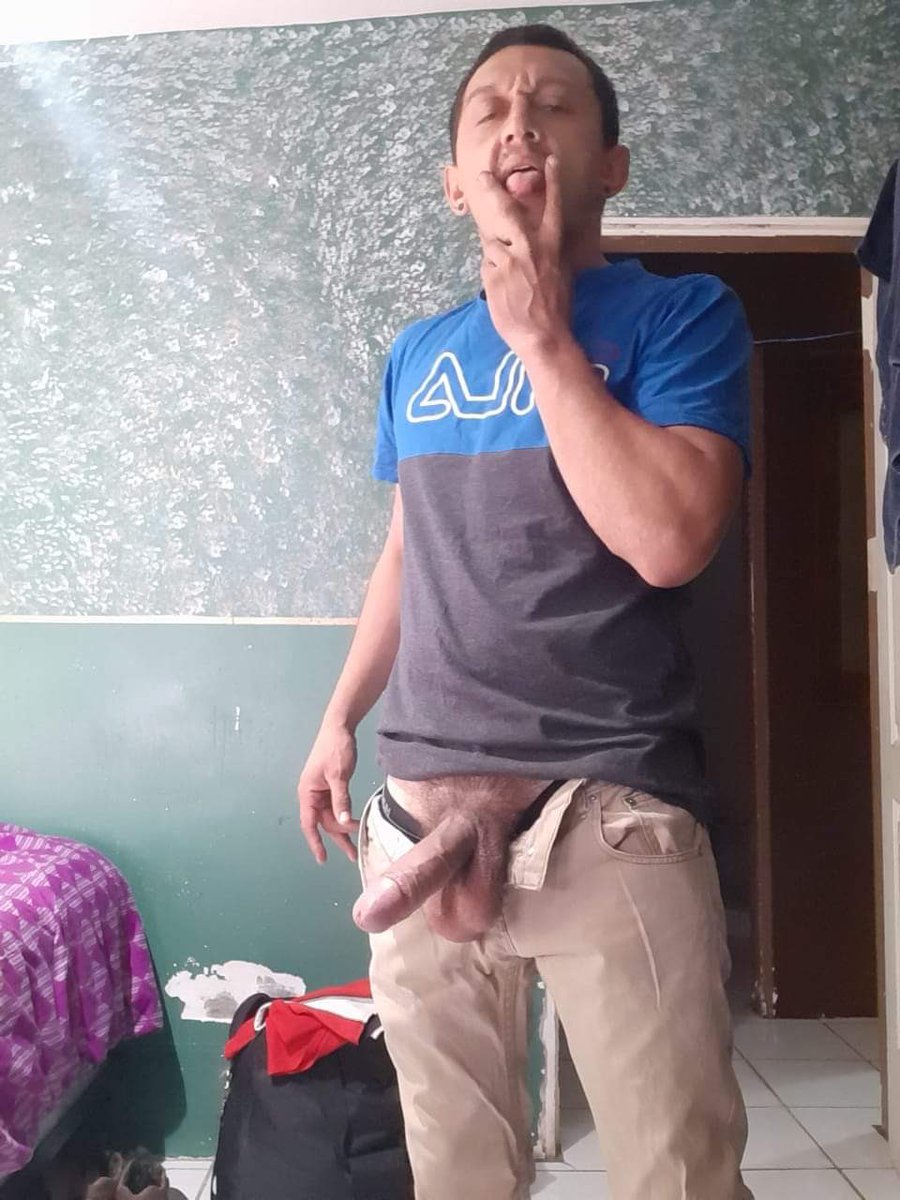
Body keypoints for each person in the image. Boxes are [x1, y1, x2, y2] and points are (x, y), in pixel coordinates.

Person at [297, 23, 754, 1200]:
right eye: (490, 111)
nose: (519, 126)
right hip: (416, 808)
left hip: (605, 807)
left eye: (554, 107)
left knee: (676, 1178)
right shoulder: (416, 355)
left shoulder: (683, 315)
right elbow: (407, 550)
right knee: (455, 1176)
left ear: (612, 165)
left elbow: (670, 540)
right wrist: (339, 717)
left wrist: (544, 340)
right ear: (455, 181)